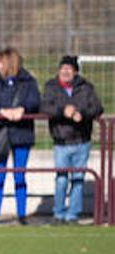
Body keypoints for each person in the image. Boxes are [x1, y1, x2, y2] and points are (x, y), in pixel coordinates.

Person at [0, 47, 39, 226]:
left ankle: (22, 215)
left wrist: (22, 109)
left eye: (1, 61)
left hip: (21, 134)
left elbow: (35, 101)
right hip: (1, 133)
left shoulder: (28, 81)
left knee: (19, 175)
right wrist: (2, 111)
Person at [44, 55, 102, 225]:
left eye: (69, 68)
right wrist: (64, 110)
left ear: (76, 72)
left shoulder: (86, 87)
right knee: (61, 179)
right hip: (61, 142)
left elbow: (97, 107)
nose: (65, 71)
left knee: (78, 179)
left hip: (82, 141)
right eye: (63, 68)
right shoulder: (51, 86)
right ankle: (59, 213)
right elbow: (45, 106)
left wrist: (81, 113)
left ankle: (72, 215)